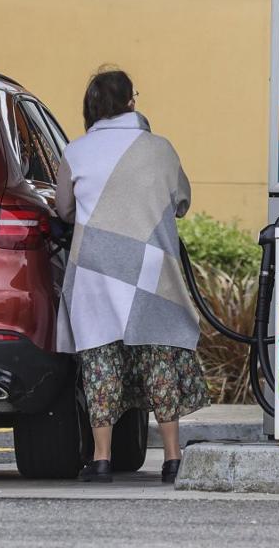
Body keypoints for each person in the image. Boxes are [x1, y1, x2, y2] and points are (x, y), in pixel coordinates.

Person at [55, 67, 210, 484]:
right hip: (151, 268)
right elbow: (181, 201)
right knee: (159, 359)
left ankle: (101, 459)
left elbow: (64, 210)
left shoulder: (75, 151)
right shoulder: (160, 149)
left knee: (100, 359)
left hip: (96, 270)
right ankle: (172, 458)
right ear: (132, 103)